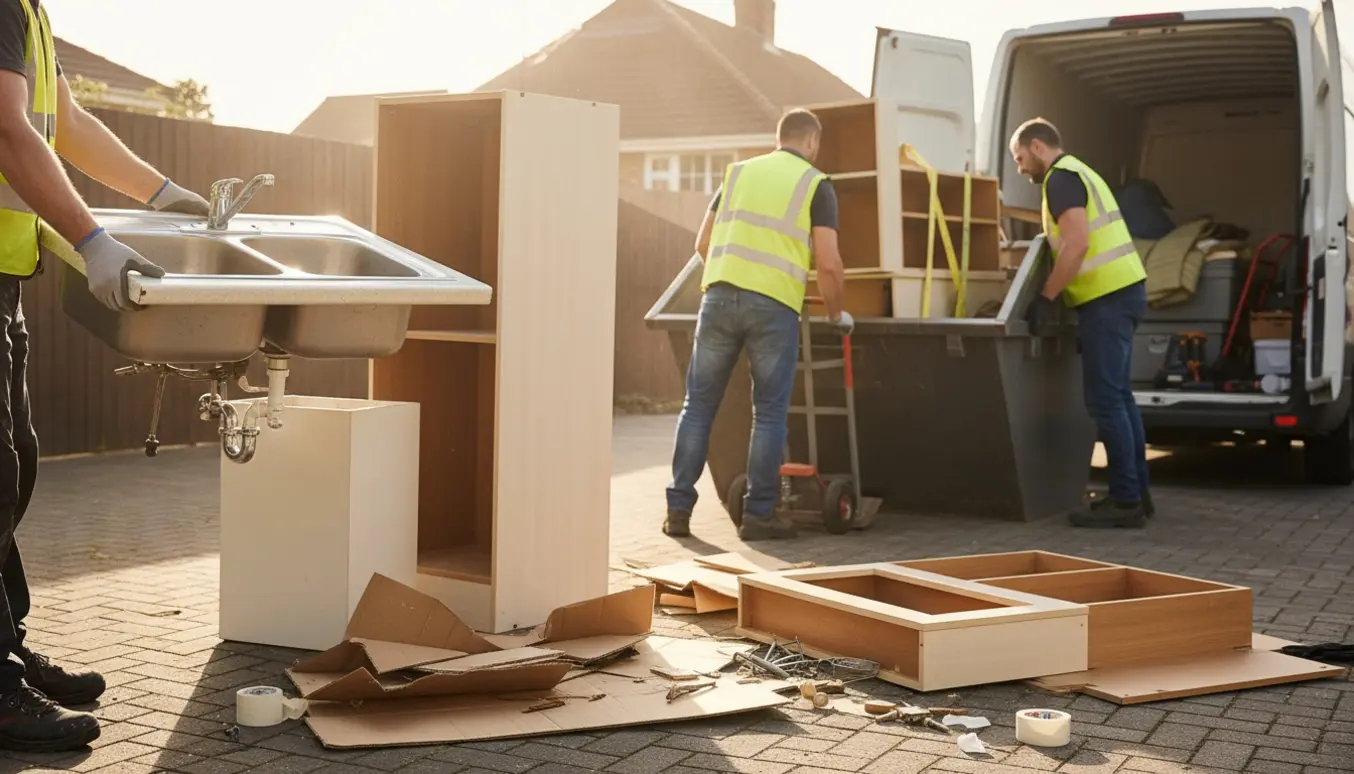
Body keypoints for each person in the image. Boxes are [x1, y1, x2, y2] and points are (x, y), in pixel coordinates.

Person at [0, 0, 209, 751]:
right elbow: (5, 128)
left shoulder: (28, 11)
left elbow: (70, 121)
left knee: (14, 465)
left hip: (5, 276)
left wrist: (160, 192)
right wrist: (92, 241)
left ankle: (7, 646)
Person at [664, 108, 851, 542]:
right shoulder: (815, 184)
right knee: (768, 414)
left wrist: (727, 281)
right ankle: (759, 516)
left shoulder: (738, 173)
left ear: (779, 137)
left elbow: (702, 243)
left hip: (718, 297)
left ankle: (677, 513)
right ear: (811, 142)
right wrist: (835, 313)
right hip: (774, 306)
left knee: (697, 407)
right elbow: (829, 263)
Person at [1009, 117, 1154, 529]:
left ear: (1038, 147)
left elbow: (1077, 244)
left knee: (1106, 401)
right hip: (1122, 292)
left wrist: (1045, 298)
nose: (1020, 168)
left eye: (1020, 158)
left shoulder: (1061, 178)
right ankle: (1138, 492)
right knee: (1121, 399)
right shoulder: (1083, 173)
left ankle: (1125, 502)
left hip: (1106, 299)